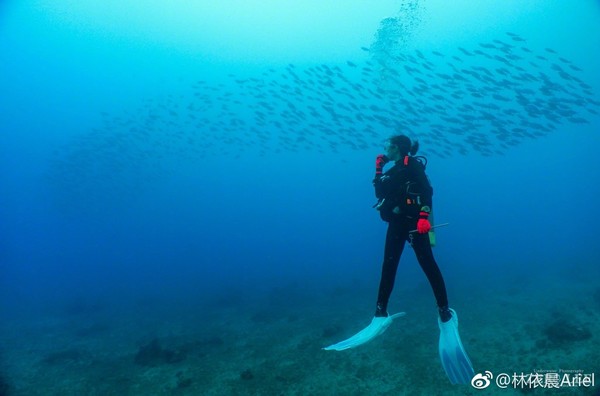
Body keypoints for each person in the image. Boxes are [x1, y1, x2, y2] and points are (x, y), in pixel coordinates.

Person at [324, 135, 474, 385]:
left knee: (428, 266)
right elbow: (380, 192)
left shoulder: (412, 165)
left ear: (398, 148)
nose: (384, 149)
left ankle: (445, 314)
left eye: (388, 147)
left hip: (416, 225)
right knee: (388, 266)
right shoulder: (393, 170)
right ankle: (380, 313)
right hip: (396, 224)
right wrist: (378, 168)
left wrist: (424, 215)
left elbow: (427, 190)